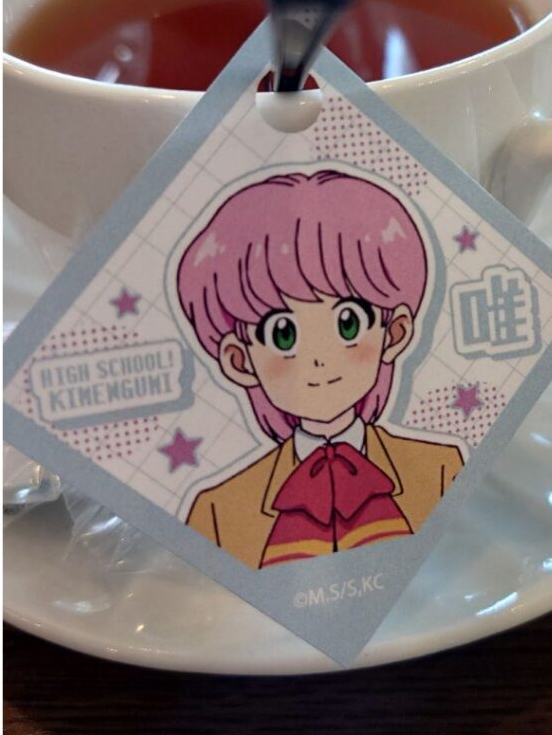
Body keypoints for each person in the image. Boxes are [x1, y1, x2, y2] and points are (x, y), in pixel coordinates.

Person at [176, 169, 464, 569]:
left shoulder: (443, 470)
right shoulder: (217, 512)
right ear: (239, 361)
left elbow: (461, 566)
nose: (318, 359)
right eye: (283, 335)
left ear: (394, 333)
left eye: (348, 324)